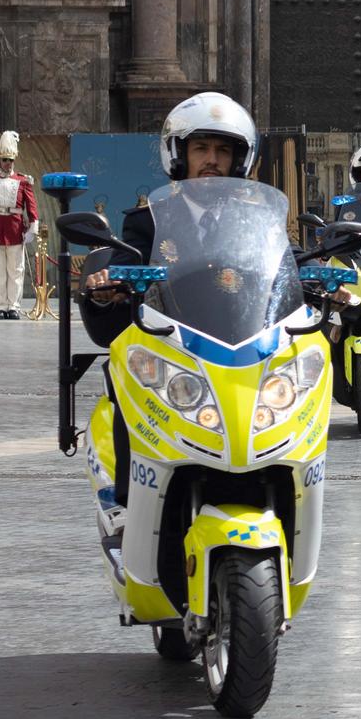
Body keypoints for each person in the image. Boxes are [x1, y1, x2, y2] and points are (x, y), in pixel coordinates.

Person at [78, 92, 261, 540]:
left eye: (223, 151)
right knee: (124, 371)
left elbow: (282, 265)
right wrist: (106, 286)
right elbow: (123, 258)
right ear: (179, 155)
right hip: (172, 348)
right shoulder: (149, 221)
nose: (212, 161)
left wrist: (316, 279)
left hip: (242, 349)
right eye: (201, 149)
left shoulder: (255, 221)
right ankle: (125, 504)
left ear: (239, 160)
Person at [0, 130, 38, 320]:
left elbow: (31, 206)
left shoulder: (23, 181)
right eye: (4, 159)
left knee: (16, 271)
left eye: (10, 160)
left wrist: (33, 228)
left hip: (15, 230)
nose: (7, 163)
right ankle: (1, 307)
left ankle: (14, 307)